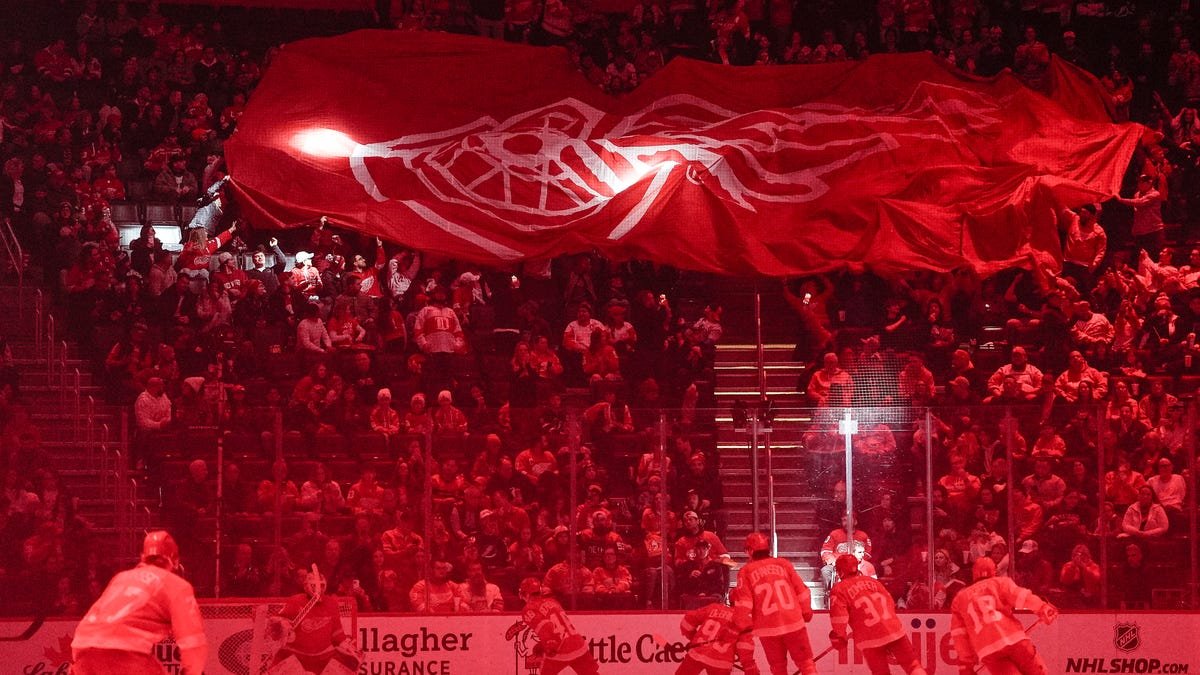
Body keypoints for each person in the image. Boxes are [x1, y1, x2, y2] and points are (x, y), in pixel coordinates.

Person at [71, 531, 207, 675]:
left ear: (143, 557)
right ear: (175, 560)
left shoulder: (120, 578)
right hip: (125, 655)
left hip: (83, 653)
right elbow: (192, 641)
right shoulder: (175, 584)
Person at [949, 557, 1058, 675]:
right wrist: (1041, 607)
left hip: (988, 650)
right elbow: (1021, 597)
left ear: (974, 573)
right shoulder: (1000, 583)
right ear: (994, 571)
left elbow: (959, 634)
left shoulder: (960, 599)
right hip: (1015, 640)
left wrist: (965, 664)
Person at [828, 554, 926, 675]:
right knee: (913, 665)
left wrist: (839, 636)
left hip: (869, 638)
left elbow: (839, 618)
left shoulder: (839, 589)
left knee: (880, 673)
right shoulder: (873, 581)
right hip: (893, 629)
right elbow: (890, 603)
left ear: (840, 571)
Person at [734, 532, 817, 675]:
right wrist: (806, 610)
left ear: (750, 551)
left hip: (767, 628)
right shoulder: (783, 564)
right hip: (793, 622)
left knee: (778, 668)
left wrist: (739, 626)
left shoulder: (745, 571)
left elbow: (744, 604)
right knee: (807, 664)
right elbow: (802, 591)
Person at [267, 564, 360, 675]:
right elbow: (276, 622)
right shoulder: (295, 601)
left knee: (350, 665)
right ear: (306, 586)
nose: (318, 589)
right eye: (314, 586)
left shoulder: (331, 603)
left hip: (324, 655)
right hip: (297, 654)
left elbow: (337, 634)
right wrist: (282, 624)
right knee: (279, 661)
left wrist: (346, 646)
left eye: (321, 585)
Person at [517, 576, 601, 675]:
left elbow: (546, 626)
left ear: (526, 594)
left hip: (559, 647)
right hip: (578, 644)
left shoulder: (528, 609)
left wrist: (548, 643)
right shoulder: (552, 601)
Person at [674, 586, 760, 675]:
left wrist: (693, 638)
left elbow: (687, 622)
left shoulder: (714, 608)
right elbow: (744, 647)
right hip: (721, 663)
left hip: (697, 653)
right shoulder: (745, 621)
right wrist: (750, 667)